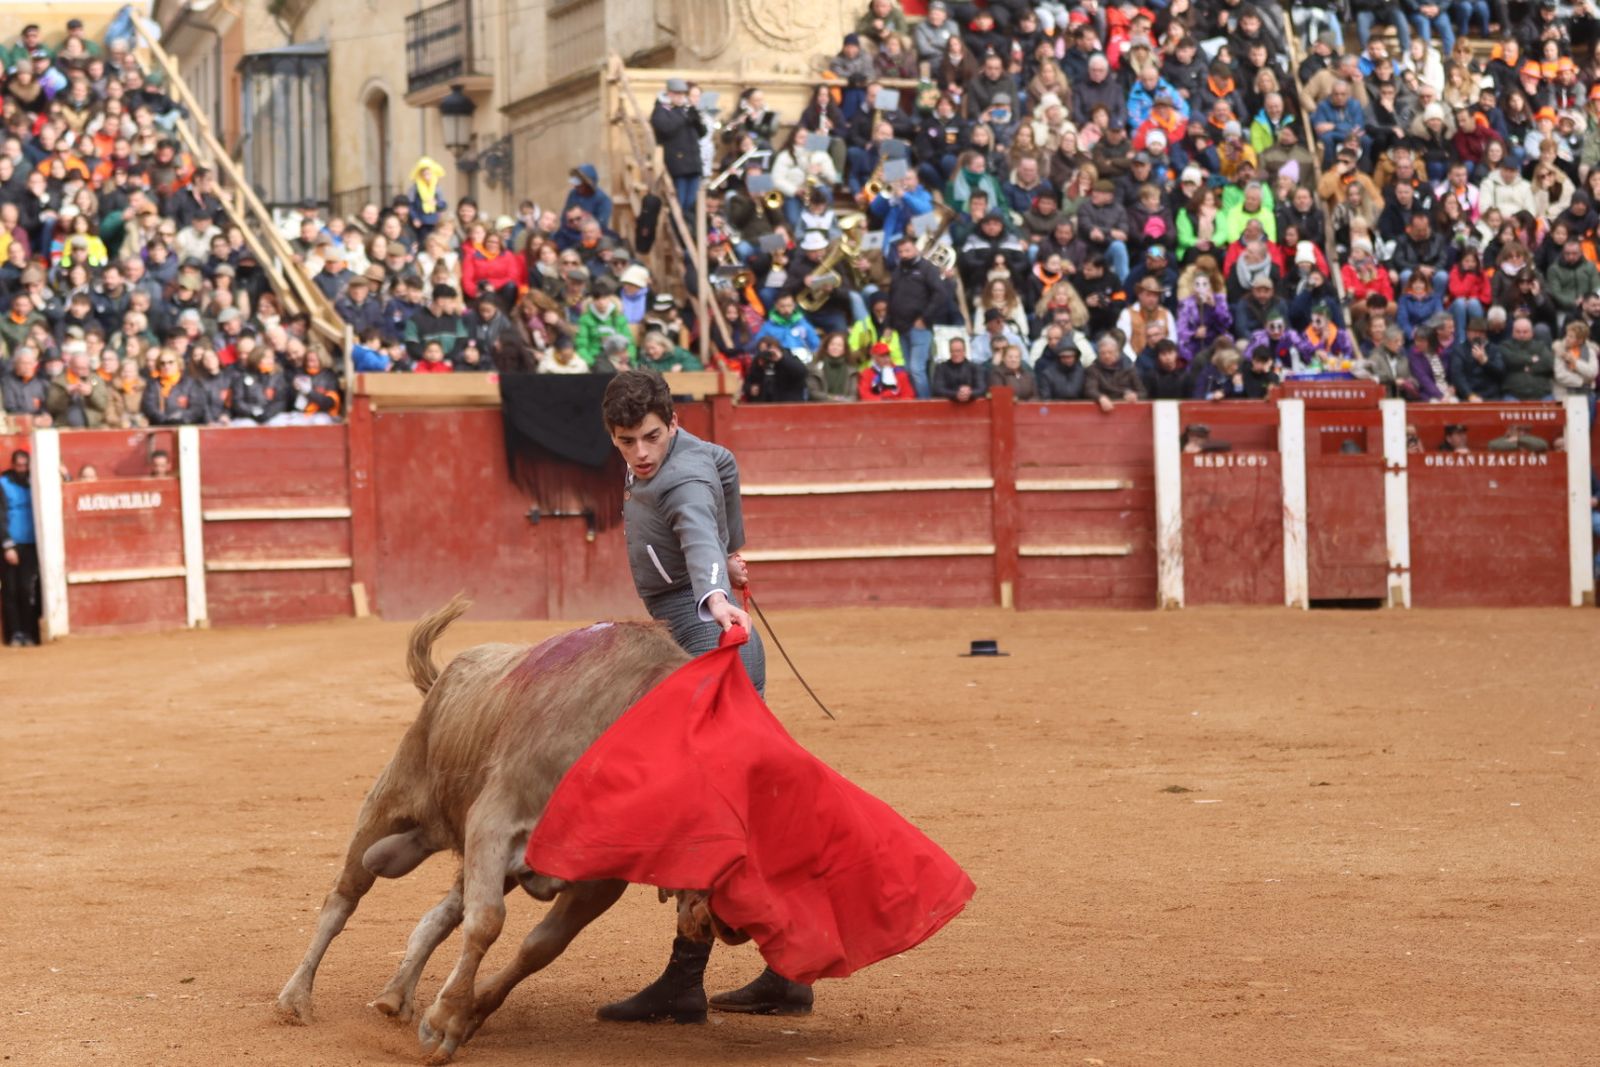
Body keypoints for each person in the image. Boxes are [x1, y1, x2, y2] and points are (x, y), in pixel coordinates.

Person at [597, 371, 804, 1024]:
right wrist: (734, 546)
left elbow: (695, 525)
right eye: (626, 441)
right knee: (734, 821)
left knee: (708, 819)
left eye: (651, 437)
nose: (640, 453)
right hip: (705, 643)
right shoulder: (692, 454)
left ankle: (691, 981)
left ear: (673, 421)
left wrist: (715, 589)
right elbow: (725, 462)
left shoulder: (681, 475)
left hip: (712, 645)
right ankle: (785, 973)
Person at [2, 448, 39, 647]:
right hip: (11, 544)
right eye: (19, 465)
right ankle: (15, 633)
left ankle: (29, 631)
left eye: (25, 465)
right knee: (11, 590)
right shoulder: (3, 483)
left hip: (31, 544)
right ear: (13, 465)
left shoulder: (36, 481)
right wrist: (7, 544)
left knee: (27, 589)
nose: (22, 469)